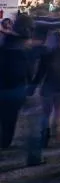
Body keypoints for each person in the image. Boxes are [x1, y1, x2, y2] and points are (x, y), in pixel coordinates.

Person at [30, 29, 60, 149]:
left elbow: (40, 72)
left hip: (48, 85)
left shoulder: (46, 54)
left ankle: (45, 134)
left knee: (46, 113)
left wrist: (33, 86)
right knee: (58, 111)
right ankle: (56, 131)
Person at [0, 14, 33, 150]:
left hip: (5, 88)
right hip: (16, 89)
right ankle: (5, 143)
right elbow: (29, 72)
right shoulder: (25, 51)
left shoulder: (4, 47)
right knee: (10, 119)